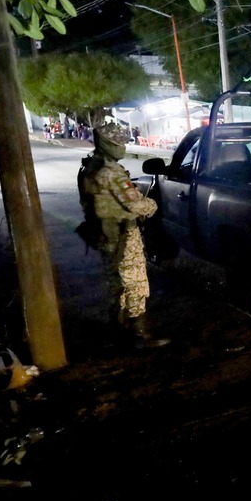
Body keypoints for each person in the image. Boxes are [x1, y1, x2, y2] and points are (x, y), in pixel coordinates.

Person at [78, 122, 170, 349]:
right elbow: (136, 204)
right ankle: (140, 333)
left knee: (116, 283)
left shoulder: (90, 166)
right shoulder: (112, 171)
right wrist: (152, 205)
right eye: (119, 142)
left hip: (103, 232)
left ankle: (119, 328)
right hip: (124, 234)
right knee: (135, 282)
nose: (123, 147)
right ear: (108, 143)